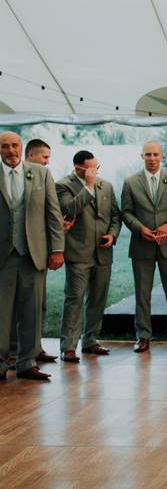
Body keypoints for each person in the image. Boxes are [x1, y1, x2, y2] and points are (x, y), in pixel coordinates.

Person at [0, 132, 65, 381]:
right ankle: (1, 363)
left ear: (21, 148)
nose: (10, 150)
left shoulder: (40, 173)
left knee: (31, 311)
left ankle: (27, 363)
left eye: (14, 145)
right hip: (3, 256)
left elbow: (52, 212)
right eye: (5, 146)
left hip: (33, 253)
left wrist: (57, 249)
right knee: (2, 313)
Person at [121, 141, 167, 353]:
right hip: (142, 244)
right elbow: (126, 212)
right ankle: (143, 336)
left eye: (155, 154)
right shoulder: (131, 182)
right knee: (142, 293)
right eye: (148, 154)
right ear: (142, 156)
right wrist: (140, 229)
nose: (152, 158)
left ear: (162, 156)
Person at [56, 151, 121, 362]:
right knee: (74, 300)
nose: (96, 172)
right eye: (92, 169)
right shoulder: (63, 185)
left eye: (97, 167)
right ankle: (68, 347)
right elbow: (70, 209)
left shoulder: (107, 186)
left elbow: (115, 216)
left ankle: (90, 340)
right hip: (78, 253)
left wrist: (112, 234)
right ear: (78, 168)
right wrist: (89, 186)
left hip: (103, 253)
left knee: (98, 299)